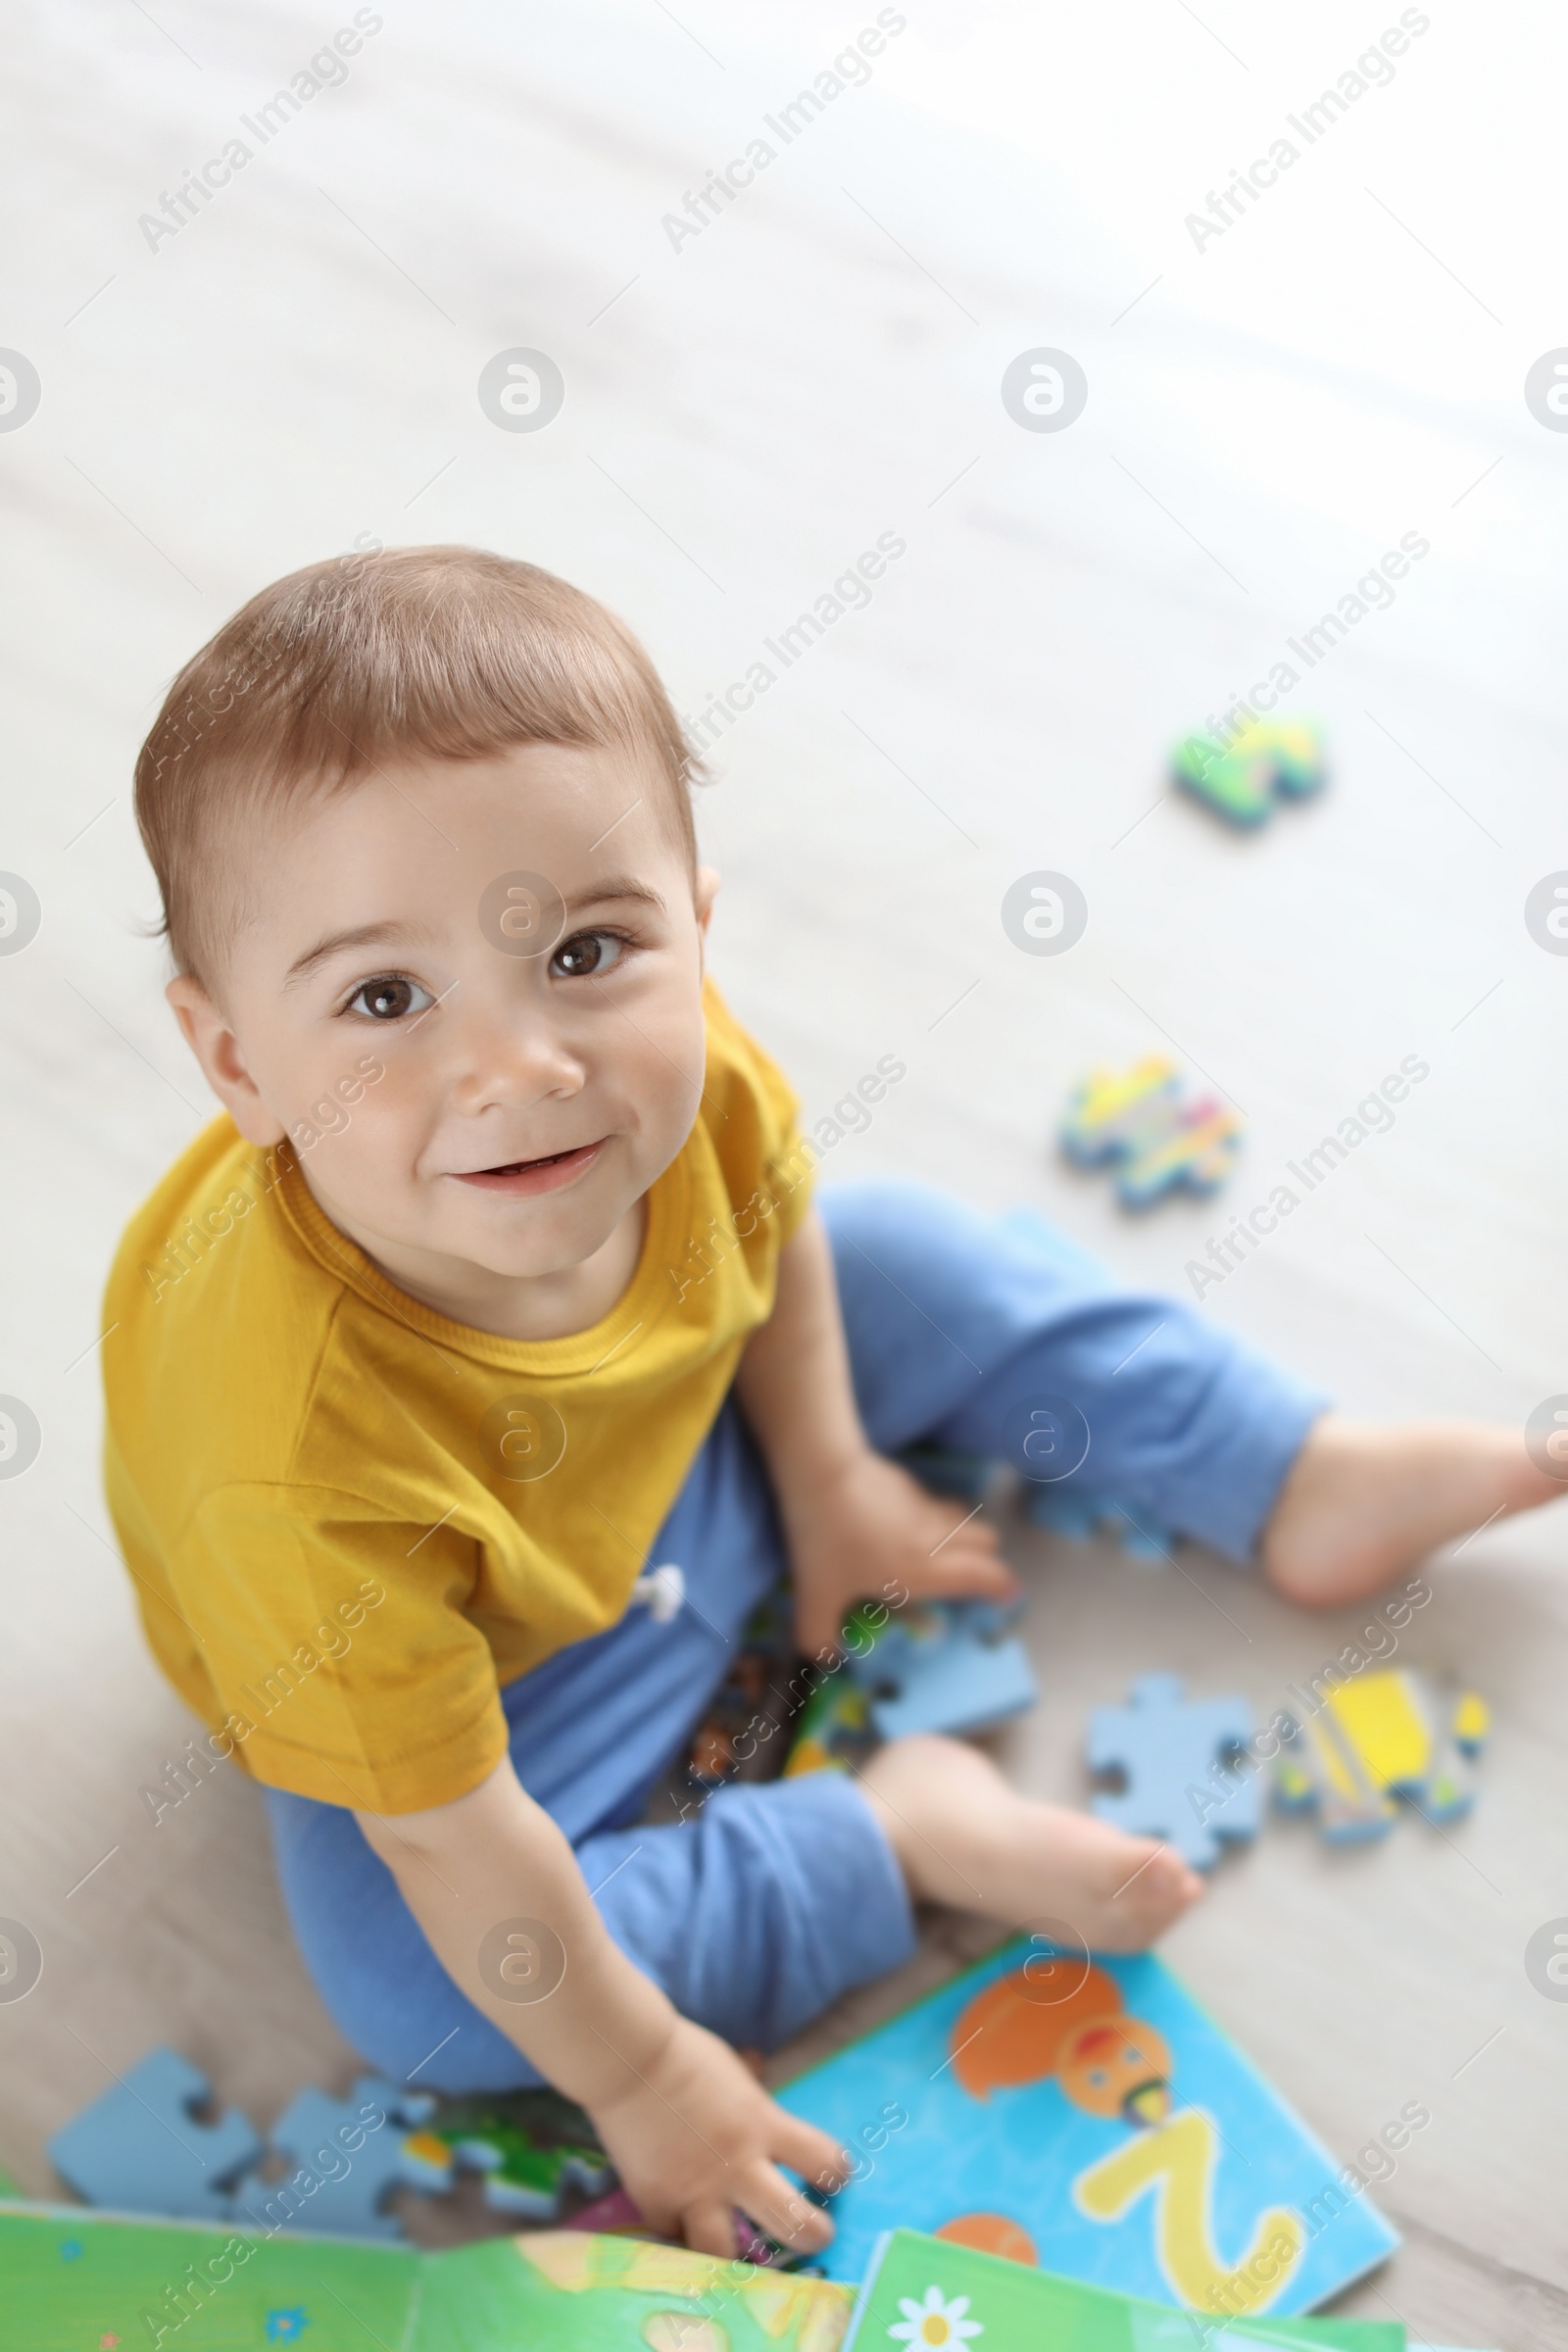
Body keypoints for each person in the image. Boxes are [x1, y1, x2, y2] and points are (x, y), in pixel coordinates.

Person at [103, 547, 1554, 2258]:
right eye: (385, 999)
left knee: (900, 1251)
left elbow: (772, 1247)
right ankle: (892, 1834)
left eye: (585, 948)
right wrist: (647, 2079)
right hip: (470, 1678)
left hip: (680, 1472)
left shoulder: (682, 1074)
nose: (523, 1068)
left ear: (692, 922)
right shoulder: (287, 1467)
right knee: (423, 1991)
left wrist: (832, 1471)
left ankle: (1283, 1465)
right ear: (235, 1065)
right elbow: (454, 1831)